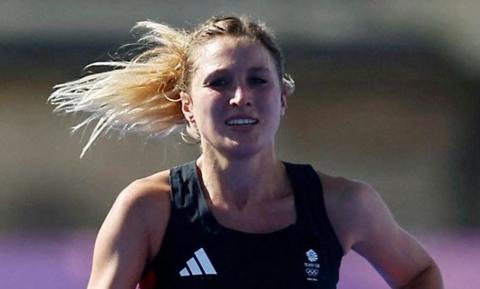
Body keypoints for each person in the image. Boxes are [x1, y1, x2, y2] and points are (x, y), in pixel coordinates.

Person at [49, 15, 444, 289]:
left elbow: (419, 273)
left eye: (258, 81)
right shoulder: (149, 209)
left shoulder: (342, 204)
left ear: (283, 98)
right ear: (188, 105)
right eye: (219, 82)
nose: (241, 98)